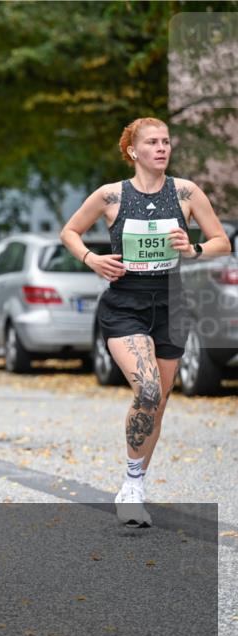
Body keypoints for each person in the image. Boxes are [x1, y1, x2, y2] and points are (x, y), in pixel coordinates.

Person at [60, 117, 230, 527]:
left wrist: (193, 248)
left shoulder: (186, 193)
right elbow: (70, 231)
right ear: (133, 151)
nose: (161, 148)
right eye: (151, 142)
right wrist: (91, 258)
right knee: (149, 389)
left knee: (160, 401)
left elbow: (222, 242)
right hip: (125, 305)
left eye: (166, 141)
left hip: (171, 305)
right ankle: (132, 485)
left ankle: (135, 481)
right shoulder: (110, 196)